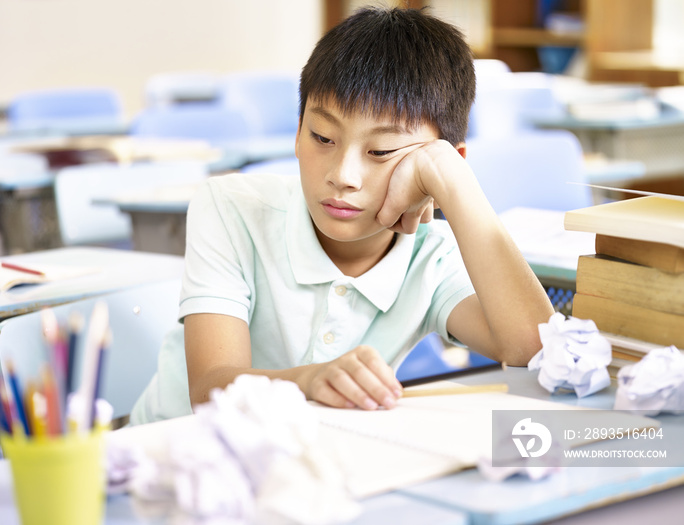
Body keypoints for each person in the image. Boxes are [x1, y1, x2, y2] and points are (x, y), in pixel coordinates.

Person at [130, 6, 554, 424]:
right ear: (298, 133)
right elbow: (210, 388)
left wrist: (454, 183)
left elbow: (537, 350)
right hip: (165, 456)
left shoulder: (433, 259)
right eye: (322, 137)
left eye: (381, 151)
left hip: (298, 464)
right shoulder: (231, 207)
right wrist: (308, 382)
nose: (343, 176)